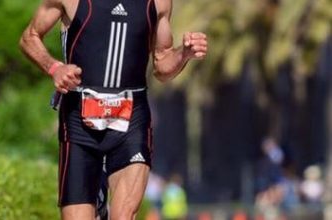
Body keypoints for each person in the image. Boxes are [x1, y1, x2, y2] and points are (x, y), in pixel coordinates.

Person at [19, 0, 208, 219]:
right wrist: (55, 68)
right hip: (80, 122)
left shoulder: (159, 2)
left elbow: (162, 63)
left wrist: (183, 54)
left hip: (131, 120)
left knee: (123, 214)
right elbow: (29, 37)